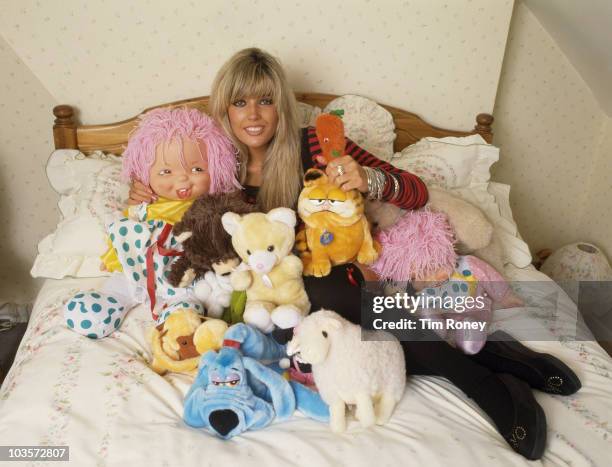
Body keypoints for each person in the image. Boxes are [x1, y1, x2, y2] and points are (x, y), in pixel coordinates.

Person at [129, 48, 580, 460]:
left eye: (264, 100)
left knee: (334, 294)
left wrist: (368, 180)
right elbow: (180, 214)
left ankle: (486, 385)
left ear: (280, 105)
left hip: (333, 279)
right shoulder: (214, 161)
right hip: (273, 298)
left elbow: (415, 191)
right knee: (313, 334)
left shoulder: (311, 143)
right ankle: (500, 359)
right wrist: (142, 200)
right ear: (224, 107)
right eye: (240, 101)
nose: (252, 114)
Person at [65, 108, 240, 339]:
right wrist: (112, 258)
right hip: (136, 270)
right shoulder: (143, 203)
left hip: (182, 279)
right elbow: (124, 234)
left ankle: (178, 320)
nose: (181, 179)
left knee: (187, 307)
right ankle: (105, 306)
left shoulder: (212, 208)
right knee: (117, 287)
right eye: (166, 171)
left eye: (197, 169)